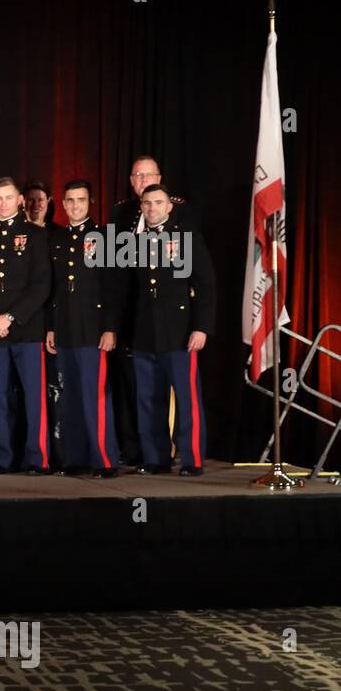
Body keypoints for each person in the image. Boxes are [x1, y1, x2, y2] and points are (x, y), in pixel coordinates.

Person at [130, 184, 215, 476]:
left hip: (179, 331)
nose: (152, 208)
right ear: (141, 207)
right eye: (147, 203)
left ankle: (191, 459)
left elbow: (205, 285)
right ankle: (156, 458)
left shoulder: (185, 238)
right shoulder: (135, 242)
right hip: (144, 331)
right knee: (148, 397)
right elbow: (131, 290)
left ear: (169, 207)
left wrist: (201, 327)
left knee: (186, 396)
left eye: (158, 202)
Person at [0, 176, 52, 474]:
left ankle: (36, 458)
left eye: (9, 197)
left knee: (33, 396)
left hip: (26, 331)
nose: (3, 203)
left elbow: (41, 285)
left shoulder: (36, 235)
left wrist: (11, 317)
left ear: (20, 200)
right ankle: (1, 458)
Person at [46, 180, 120, 477]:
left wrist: (110, 328)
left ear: (91, 202)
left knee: (95, 396)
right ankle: (75, 458)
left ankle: (105, 459)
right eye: (70, 200)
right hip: (64, 329)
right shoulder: (57, 239)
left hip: (93, 330)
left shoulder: (105, 237)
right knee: (70, 396)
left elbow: (112, 288)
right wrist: (51, 327)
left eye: (81, 200)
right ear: (63, 204)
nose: (75, 206)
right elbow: (54, 289)